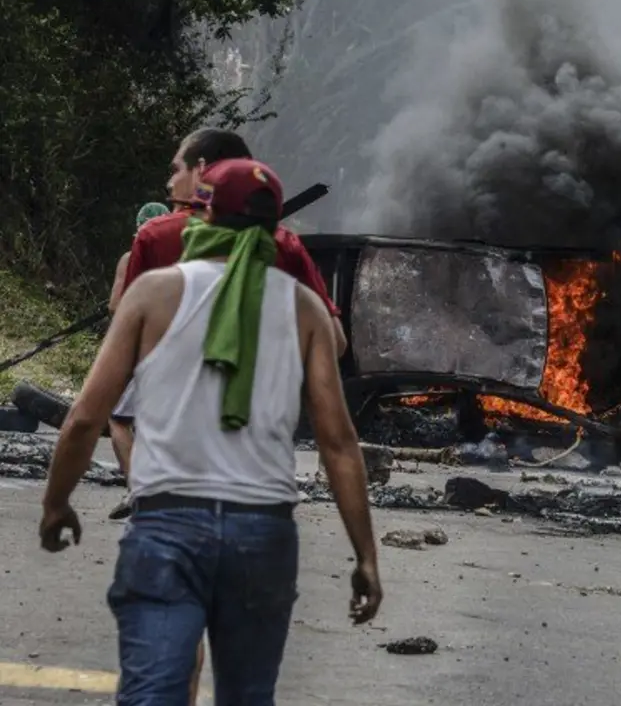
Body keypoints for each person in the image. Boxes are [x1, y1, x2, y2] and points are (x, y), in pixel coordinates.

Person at [38, 158, 383, 704]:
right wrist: (366, 555)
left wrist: (55, 504)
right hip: (263, 535)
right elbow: (337, 442)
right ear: (274, 228)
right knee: (248, 696)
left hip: (167, 527)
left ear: (203, 216)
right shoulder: (305, 310)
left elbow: (85, 417)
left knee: (154, 693)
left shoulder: (152, 294)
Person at [107, 128, 347, 522]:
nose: (169, 182)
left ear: (201, 170)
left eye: (175, 169)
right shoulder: (285, 245)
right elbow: (335, 345)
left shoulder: (155, 235)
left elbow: (128, 331)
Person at [105, 202, 170, 522]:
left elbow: (117, 306)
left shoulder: (131, 259)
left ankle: (139, 490)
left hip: (142, 349)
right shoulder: (185, 258)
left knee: (118, 420)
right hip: (180, 348)